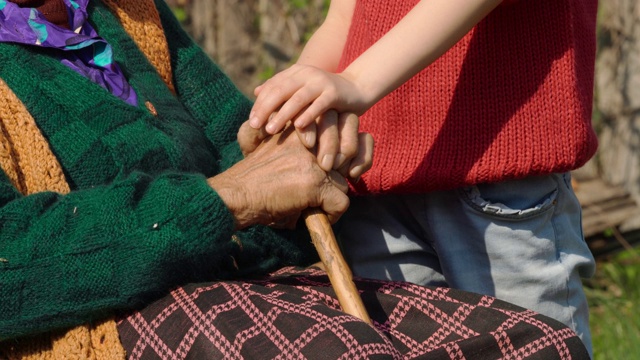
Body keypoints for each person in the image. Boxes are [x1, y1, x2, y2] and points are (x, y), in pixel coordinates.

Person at [0, 0, 590, 358]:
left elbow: (238, 147)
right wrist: (232, 191)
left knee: (528, 343)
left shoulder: (122, 12)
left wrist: (288, 139)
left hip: (479, 189)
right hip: (110, 318)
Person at [249, 0, 598, 356]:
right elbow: (346, 16)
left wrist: (354, 81)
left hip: (495, 177)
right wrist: (298, 105)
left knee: (529, 345)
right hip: (373, 188)